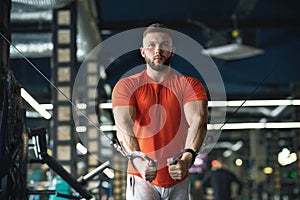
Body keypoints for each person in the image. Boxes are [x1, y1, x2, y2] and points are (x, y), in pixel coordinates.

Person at [111, 23, 208, 200]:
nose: (158, 50)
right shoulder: (126, 86)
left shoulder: (190, 85)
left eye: (164, 45)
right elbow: (123, 125)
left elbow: (198, 121)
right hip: (140, 177)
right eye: (151, 45)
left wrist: (187, 159)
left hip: (179, 175)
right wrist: (139, 162)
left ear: (172, 50)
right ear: (142, 51)